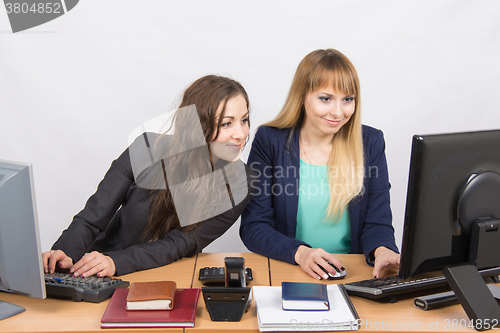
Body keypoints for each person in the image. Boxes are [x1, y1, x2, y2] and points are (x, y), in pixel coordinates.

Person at [43, 75, 253, 277]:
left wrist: (117, 262)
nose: (241, 134)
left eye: (244, 120)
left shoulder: (242, 183)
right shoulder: (145, 149)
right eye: (227, 123)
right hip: (96, 266)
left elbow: (181, 242)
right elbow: (93, 216)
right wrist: (63, 252)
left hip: (164, 276)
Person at [240, 49, 400, 280]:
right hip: (291, 268)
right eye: (325, 99)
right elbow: (254, 226)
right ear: (302, 96)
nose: (338, 112)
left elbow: (378, 222)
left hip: (349, 273)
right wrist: (301, 253)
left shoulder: (370, 142)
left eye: (348, 99)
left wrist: (383, 250)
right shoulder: (270, 141)